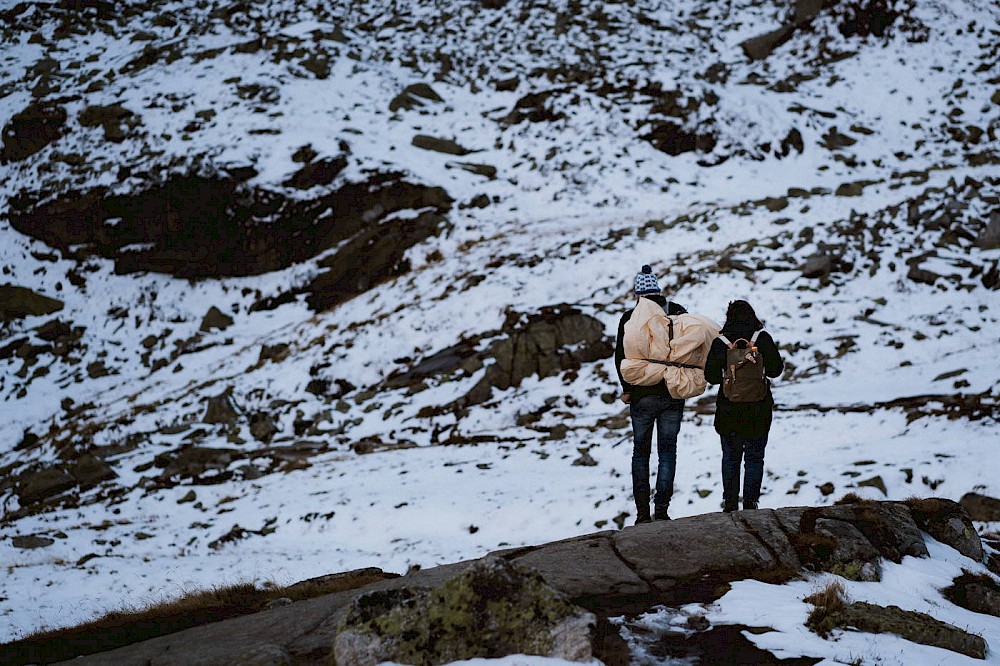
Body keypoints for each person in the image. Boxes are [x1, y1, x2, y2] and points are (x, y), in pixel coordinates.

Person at [615, 265, 688, 524]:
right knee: (667, 451)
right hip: (672, 392)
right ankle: (662, 510)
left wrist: (627, 389)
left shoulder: (630, 317)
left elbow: (620, 357)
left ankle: (642, 514)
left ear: (638, 295)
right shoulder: (677, 312)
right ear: (658, 291)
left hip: (641, 396)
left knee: (640, 453)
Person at [704, 300, 784, 512]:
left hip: (729, 409)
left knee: (731, 458)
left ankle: (730, 504)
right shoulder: (761, 338)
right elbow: (776, 370)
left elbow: (710, 376)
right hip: (759, 409)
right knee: (754, 457)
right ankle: (751, 503)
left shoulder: (721, 341)